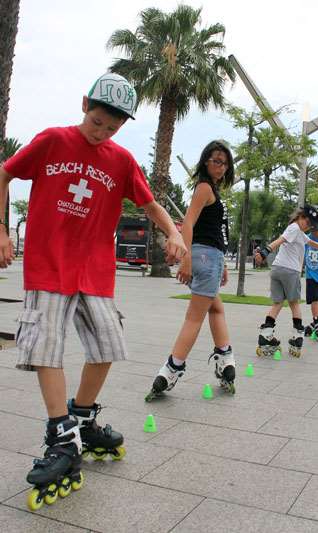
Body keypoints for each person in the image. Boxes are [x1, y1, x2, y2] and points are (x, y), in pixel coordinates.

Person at [0, 72, 186, 510]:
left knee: (107, 345)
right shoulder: (52, 140)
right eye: (98, 121)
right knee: (46, 349)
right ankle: (60, 436)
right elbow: (4, 174)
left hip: (95, 270)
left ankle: (81, 418)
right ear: (85, 104)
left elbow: (149, 202)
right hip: (48, 266)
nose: (102, 132)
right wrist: (2, 231)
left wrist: (173, 233)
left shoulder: (120, 160)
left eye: (113, 127)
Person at [146, 141, 235, 400]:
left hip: (211, 258)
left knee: (216, 308)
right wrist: (185, 259)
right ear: (205, 161)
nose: (221, 166)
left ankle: (226, 360)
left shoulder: (212, 190)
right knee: (194, 317)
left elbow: (215, 232)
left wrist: (223, 266)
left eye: (225, 162)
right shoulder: (204, 187)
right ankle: (172, 369)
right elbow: (188, 223)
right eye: (216, 160)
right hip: (204, 257)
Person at [255, 205, 318, 357]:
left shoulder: (299, 232)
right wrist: (266, 251)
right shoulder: (293, 228)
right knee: (294, 303)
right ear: (299, 216)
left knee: (277, 303)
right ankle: (297, 338)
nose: (307, 224)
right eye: (305, 219)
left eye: (310, 223)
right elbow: (280, 240)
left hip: (277, 269)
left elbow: (312, 243)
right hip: (290, 271)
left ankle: (265, 336)